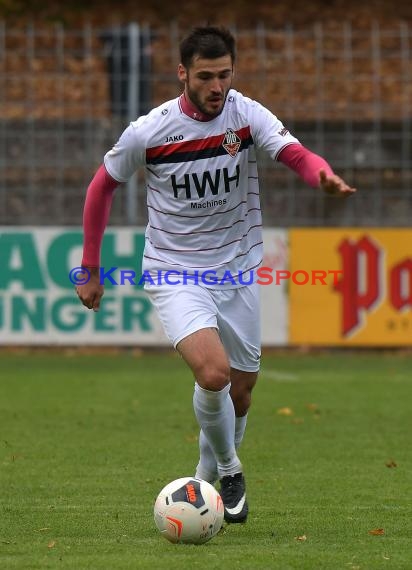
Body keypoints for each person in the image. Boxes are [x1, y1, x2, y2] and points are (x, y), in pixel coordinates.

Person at [76, 25, 356, 524]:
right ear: (182, 73)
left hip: (239, 270)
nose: (216, 87)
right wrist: (90, 268)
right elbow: (102, 187)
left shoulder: (244, 114)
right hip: (174, 271)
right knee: (213, 373)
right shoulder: (150, 131)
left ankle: (201, 481)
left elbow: (294, 153)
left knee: (242, 389)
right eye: (205, 76)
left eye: (224, 75)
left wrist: (321, 175)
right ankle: (229, 471)